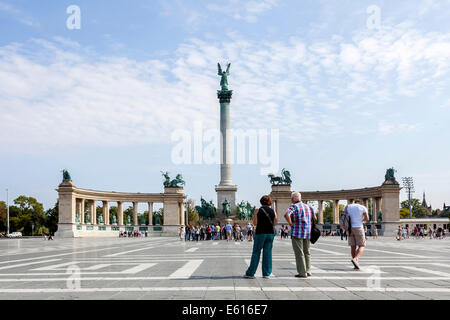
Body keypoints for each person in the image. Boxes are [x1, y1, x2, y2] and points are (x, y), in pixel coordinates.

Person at [244, 195, 277, 279]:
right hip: (270, 233)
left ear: (261, 202)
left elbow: (255, 223)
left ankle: (251, 273)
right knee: (268, 253)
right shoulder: (273, 211)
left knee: (256, 252)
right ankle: (266, 273)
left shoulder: (257, 211)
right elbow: (274, 223)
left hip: (260, 233)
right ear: (270, 202)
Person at [285, 192, 315, 278]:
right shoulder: (308, 207)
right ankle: (308, 271)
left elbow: (287, 214)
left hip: (297, 232)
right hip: (307, 233)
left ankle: (302, 272)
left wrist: (291, 223)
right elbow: (315, 218)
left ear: (293, 199)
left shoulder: (294, 206)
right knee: (307, 252)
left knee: (299, 253)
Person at [345, 199, 369, 270]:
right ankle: (356, 258)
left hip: (349, 228)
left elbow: (344, 216)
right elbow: (367, 218)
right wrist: (361, 220)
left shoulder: (348, 207)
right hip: (358, 227)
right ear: (360, 203)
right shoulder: (362, 207)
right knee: (362, 245)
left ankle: (355, 264)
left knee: (353, 246)